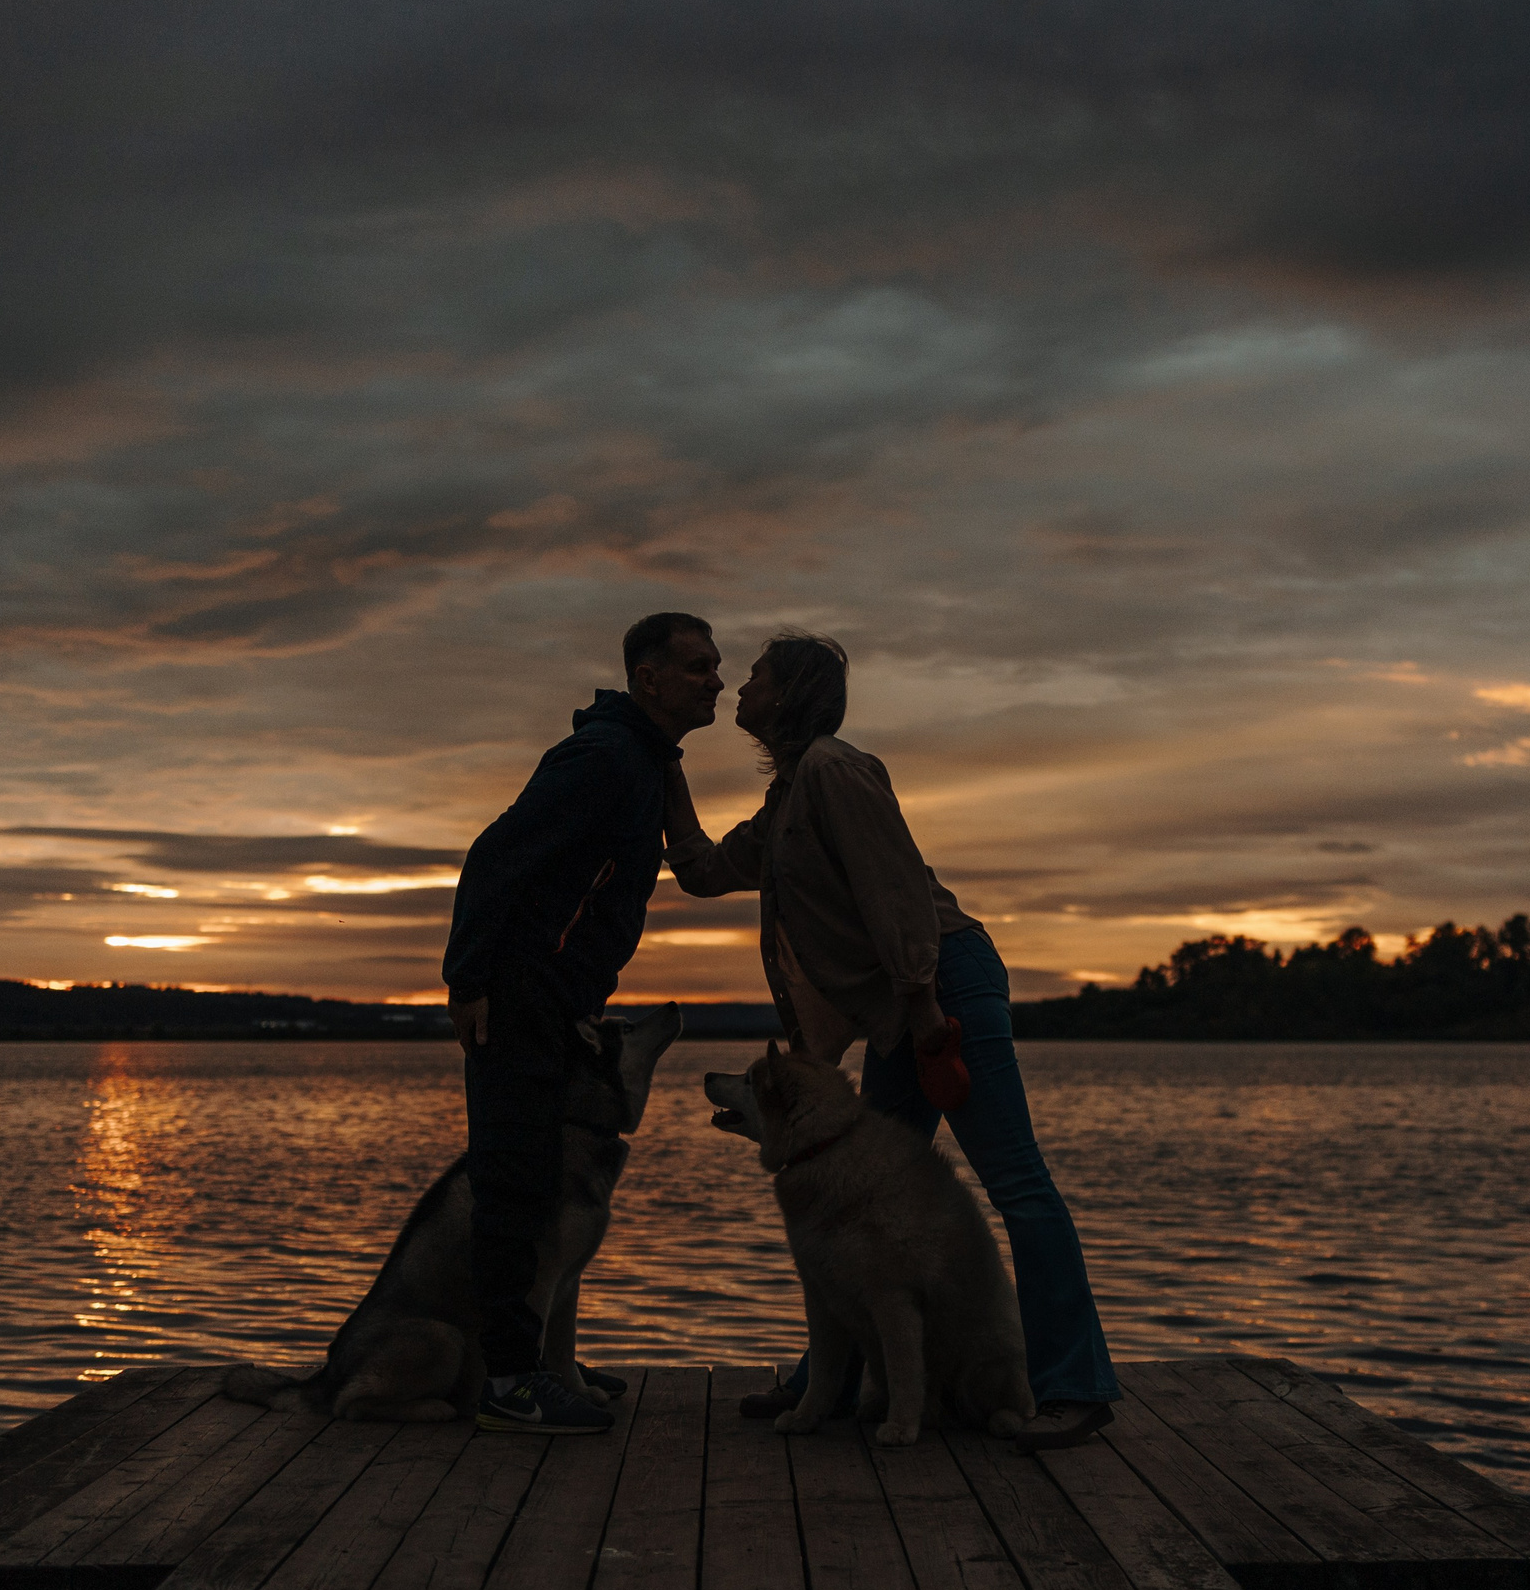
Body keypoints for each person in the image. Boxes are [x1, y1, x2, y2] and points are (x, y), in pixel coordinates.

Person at [663, 631, 1119, 1451]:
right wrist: (659, 763)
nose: (739, 682)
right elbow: (699, 870)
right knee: (853, 1196)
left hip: (942, 989)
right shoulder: (790, 801)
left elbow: (897, 892)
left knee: (1017, 1185)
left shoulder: (838, 772)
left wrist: (923, 1014)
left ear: (789, 695)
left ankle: (1075, 1388)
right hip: (900, 1009)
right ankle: (827, 1384)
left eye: (757, 674)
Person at [442, 611, 722, 1434]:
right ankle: (507, 1381)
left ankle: (541, 1360)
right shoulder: (602, 758)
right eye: (701, 666)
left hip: (563, 1004)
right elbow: (495, 856)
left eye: (719, 666)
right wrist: (469, 982)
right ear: (649, 677)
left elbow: (697, 860)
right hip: (519, 996)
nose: (717, 680)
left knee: (548, 1179)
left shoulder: (648, 760)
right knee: (514, 1182)